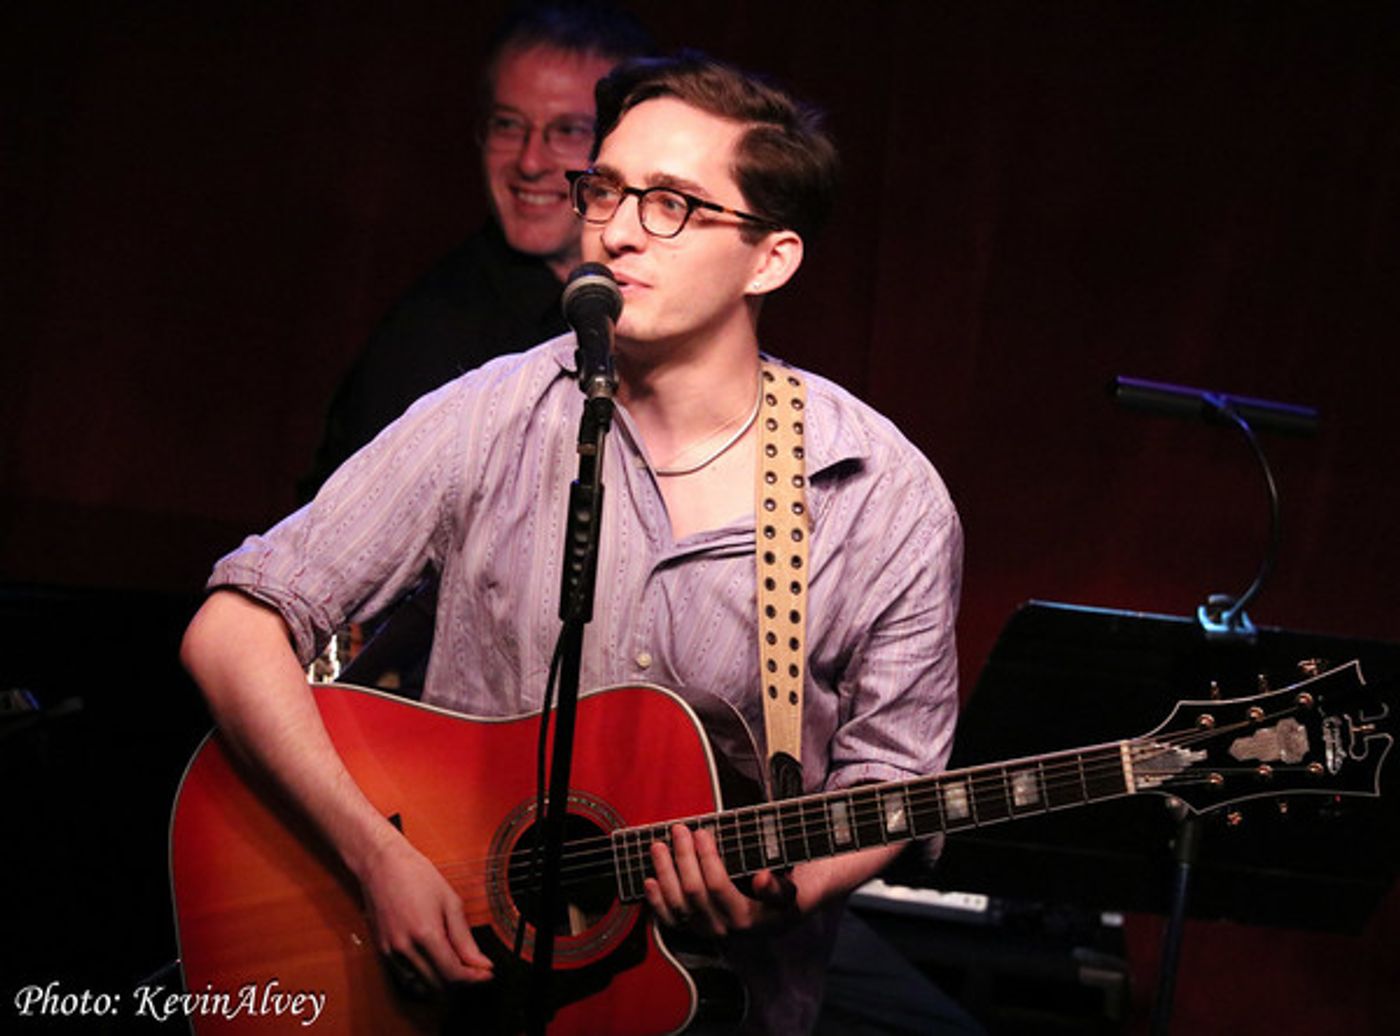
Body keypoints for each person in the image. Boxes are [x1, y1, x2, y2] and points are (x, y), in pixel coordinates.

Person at [182, 53, 965, 1035]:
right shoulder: (494, 413)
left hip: (708, 1003)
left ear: (770, 259)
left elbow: (895, 777)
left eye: (674, 204)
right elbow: (231, 628)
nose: (621, 230)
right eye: (608, 191)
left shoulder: (879, 495)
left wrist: (785, 884)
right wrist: (374, 856)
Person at [299, 0, 653, 499]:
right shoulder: (432, 337)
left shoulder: (657, 305)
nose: (530, 161)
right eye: (509, 125)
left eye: (569, 130)